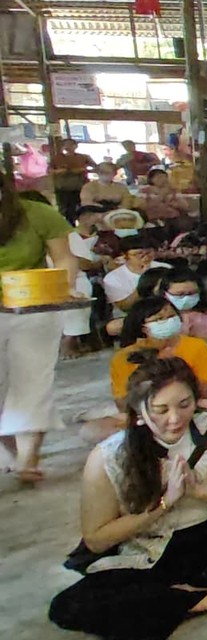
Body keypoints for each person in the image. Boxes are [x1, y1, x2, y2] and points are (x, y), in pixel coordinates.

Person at [50, 359, 207, 640]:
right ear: (139, 412)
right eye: (161, 410)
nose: (175, 418)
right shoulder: (109, 455)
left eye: (184, 404)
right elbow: (96, 540)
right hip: (150, 550)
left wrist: (200, 492)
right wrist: (165, 504)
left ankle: (178, 598)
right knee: (69, 606)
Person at [0, 173, 76, 482]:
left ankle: (27, 459)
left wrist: (65, 287)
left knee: (32, 382)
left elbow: (65, 259)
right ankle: (12, 453)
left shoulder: (38, 214)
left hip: (34, 306)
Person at [111, 297, 207, 419]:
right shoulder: (125, 356)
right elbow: (123, 400)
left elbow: (204, 390)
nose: (168, 321)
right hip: (147, 412)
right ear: (143, 328)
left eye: (171, 316)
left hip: (190, 405)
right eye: (159, 319)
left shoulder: (196, 346)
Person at [49, 136, 89, 219]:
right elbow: (49, 171)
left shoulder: (83, 157)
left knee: (82, 208)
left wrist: (82, 169)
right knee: (65, 209)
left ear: (76, 146)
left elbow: (95, 168)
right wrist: (59, 171)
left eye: (71, 145)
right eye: (66, 145)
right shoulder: (57, 158)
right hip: (63, 187)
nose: (68, 147)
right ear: (63, 146)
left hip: (80, 186)